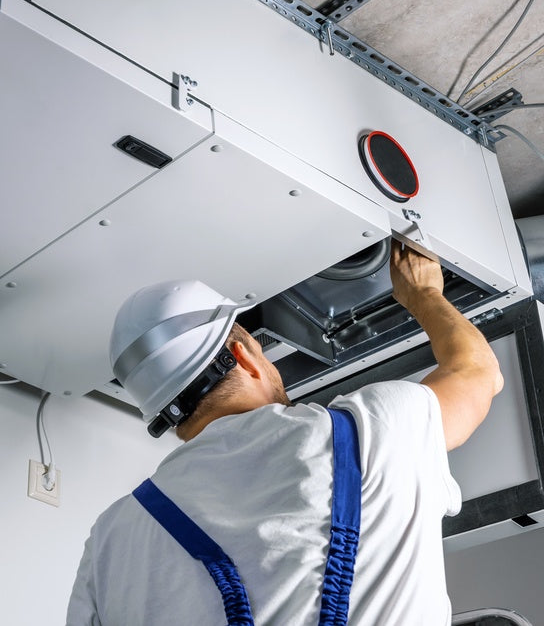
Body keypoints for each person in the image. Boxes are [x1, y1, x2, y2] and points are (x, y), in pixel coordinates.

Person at [67, 244, 503, 625]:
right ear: (245, 355)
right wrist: (423, 293)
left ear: (166, 414)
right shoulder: (368, 431)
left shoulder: (109, 540)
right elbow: (477, 374)